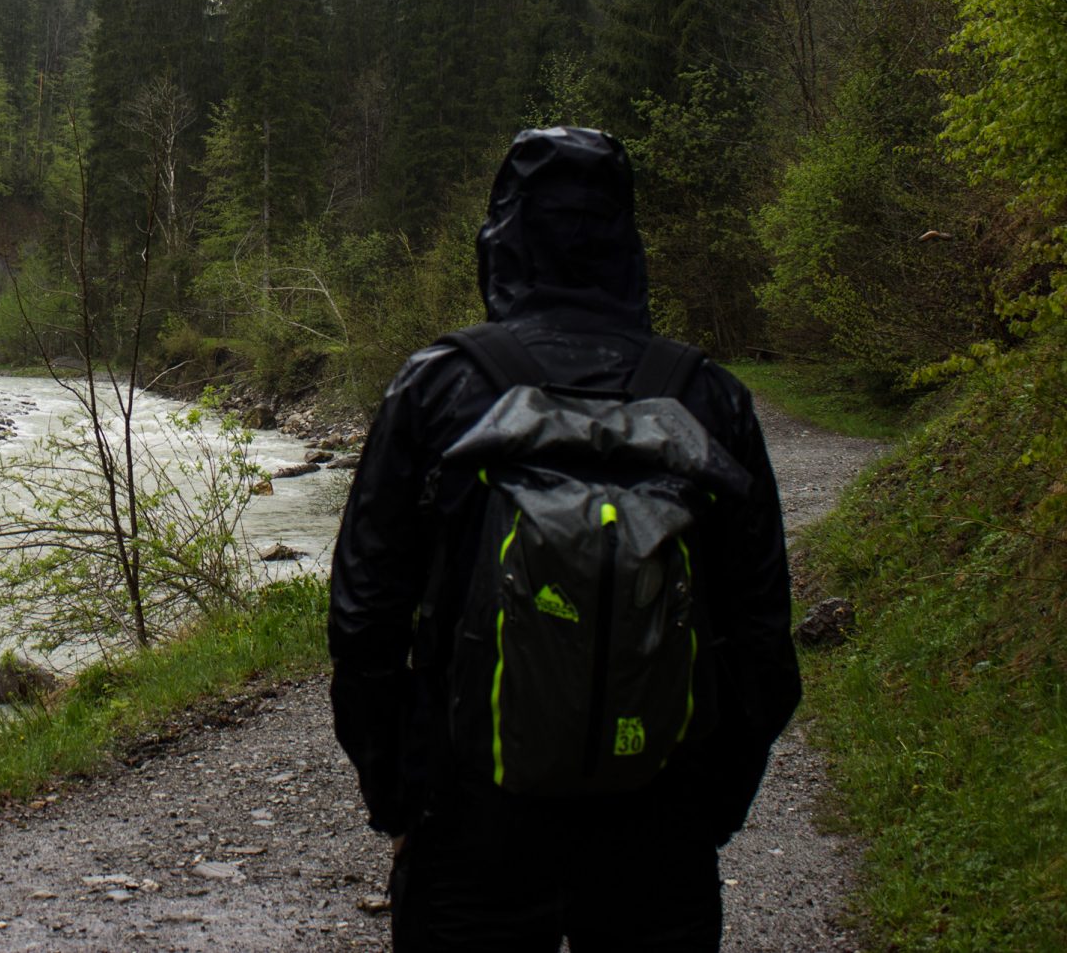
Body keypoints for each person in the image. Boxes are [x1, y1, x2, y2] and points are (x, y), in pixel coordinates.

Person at [327, 127, 801, 952]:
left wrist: (403, 799)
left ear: (502, 238)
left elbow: (364, 621)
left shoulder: (439, 386)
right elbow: (761, 640)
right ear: (627, 242)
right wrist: (707, 811)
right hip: (659, 828)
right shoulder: (708, 399)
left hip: (472, 826)